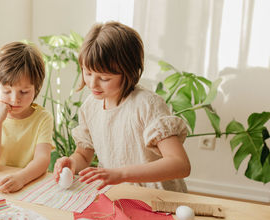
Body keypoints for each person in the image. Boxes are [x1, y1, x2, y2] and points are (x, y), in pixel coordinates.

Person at [53, 21, 191, 192]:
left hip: (159, 198)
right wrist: (73, 162)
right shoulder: (90, 107)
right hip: (120, 195)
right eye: (87, 73)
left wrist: (121, 174)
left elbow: (180, 164)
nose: (92, 84)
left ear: (129, 72)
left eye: (104, 78)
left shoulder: (147, 105)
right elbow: (83, 154)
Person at [0, 41, 53, 193]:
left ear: (36, 88)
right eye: (6, 91)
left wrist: (21, 178)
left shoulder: (43, 118)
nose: (14, 99)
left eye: (24, 92)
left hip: (29, 185)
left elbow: (42, 160)